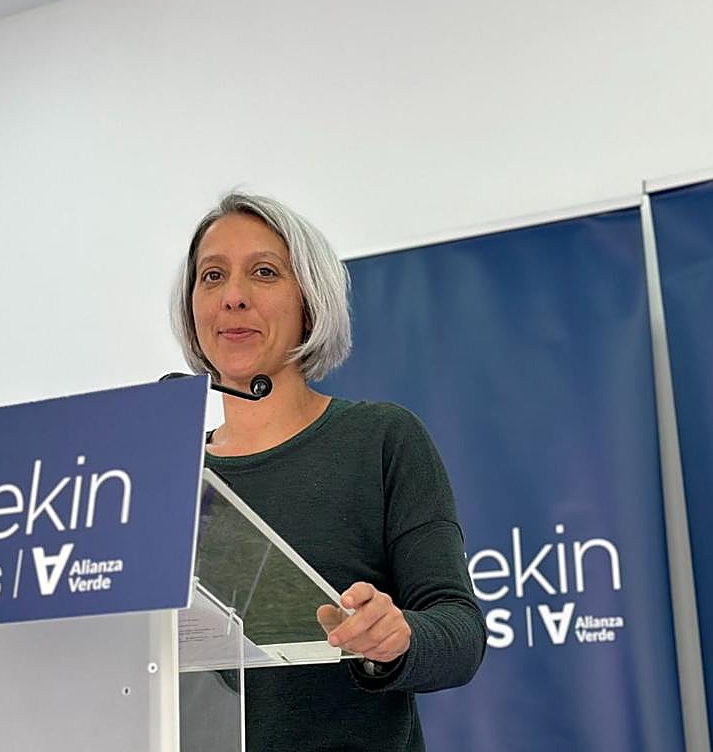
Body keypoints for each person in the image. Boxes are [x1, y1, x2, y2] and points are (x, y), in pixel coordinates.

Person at [170, 192, 486, 751]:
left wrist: (395, 637)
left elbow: (460, 632)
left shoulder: (382, 439)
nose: (233, 296)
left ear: (310, 302)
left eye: (263, 272)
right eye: (212, 276)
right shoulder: (164, 472)